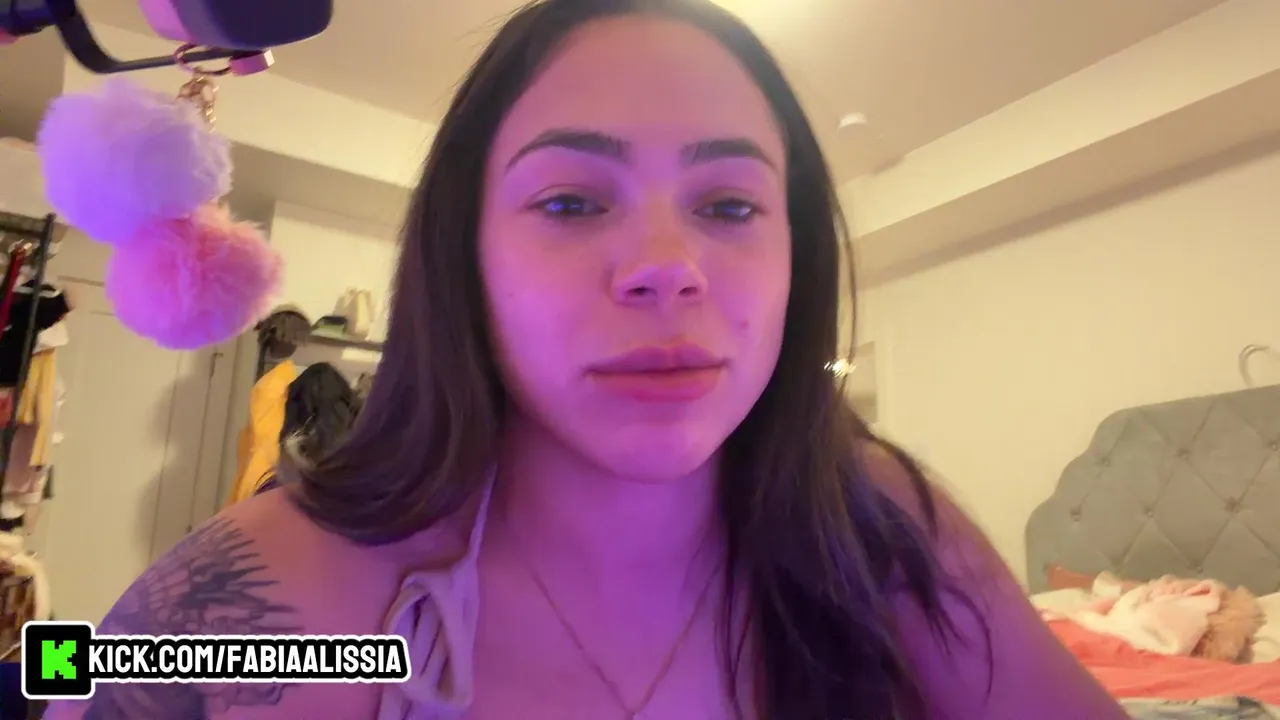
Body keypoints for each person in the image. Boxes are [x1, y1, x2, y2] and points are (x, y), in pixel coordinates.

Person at [48, 0, 1128, 718]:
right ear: (464, 255)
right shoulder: (275, 596)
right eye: (569, 201)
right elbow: (66, 665)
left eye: (729, 205)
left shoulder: (878, 528)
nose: (667, 269)